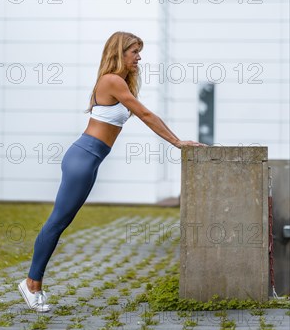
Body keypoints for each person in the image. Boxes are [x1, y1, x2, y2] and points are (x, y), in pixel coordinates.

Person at [18, 31, 206, 311]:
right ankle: (32, 284)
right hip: (83, 158)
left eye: (139, 51)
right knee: (57, 221)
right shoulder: (112, 81)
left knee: (61, 221)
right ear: (120, 53)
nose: (139, 57)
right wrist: (177, 142)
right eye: (134, 51)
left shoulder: (118, 82)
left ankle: (34, 282)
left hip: (90, 158)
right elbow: (146, 115)